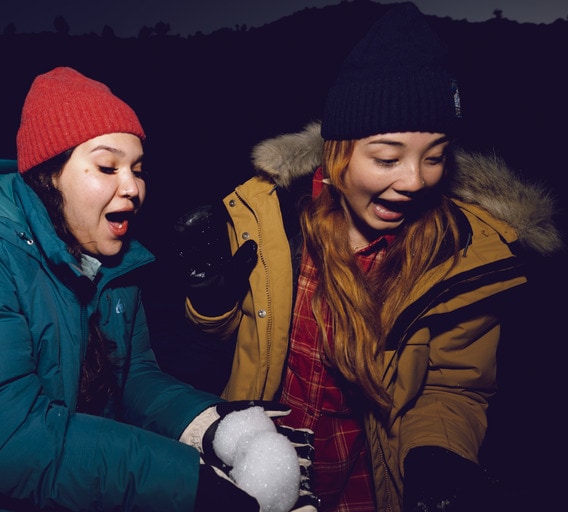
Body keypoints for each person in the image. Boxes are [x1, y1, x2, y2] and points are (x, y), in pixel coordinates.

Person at [0, 67, 315, 512]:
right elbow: (11, 443)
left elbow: (131, 379)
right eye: (107, 166)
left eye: (138, 169)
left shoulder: (109, 266)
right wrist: (193, 487)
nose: (134, 187)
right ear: (49, 175)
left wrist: (215, 425)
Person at [173, 3, 562, 512]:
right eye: (387, 157)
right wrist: (211, 305)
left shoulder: (460, 255)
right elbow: (219, 347)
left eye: (435, 155)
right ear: (338, 152)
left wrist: (438, 459)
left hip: (367, 490)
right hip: (257, 474)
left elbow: (454, 388)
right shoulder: (275, 222)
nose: (415, 179)